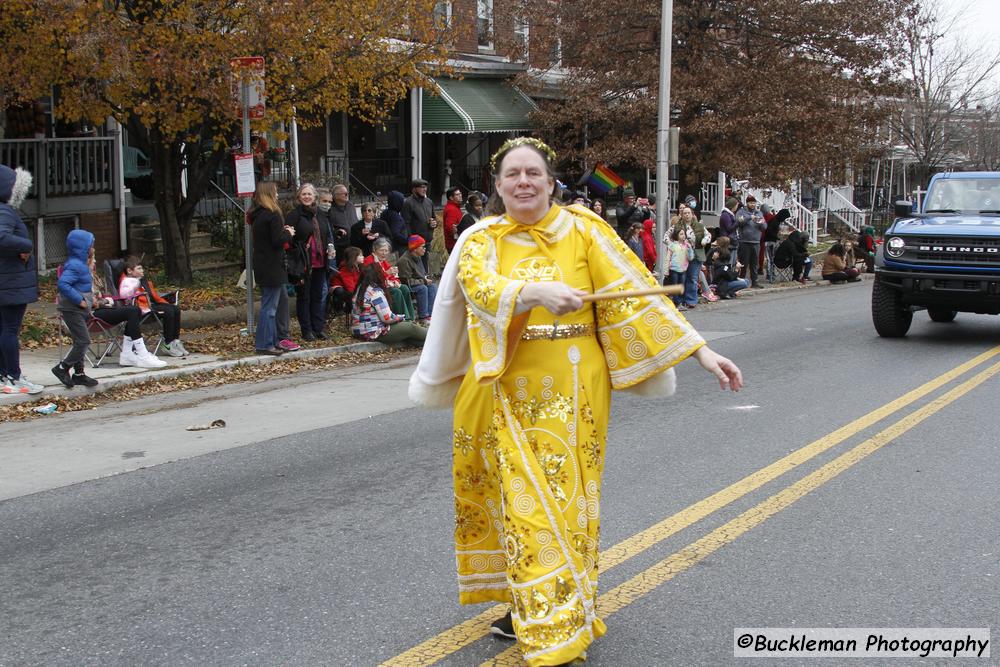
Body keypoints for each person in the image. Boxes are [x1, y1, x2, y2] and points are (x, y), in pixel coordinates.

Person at [407, 137, 742, 667]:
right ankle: (536, 607)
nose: (523, 182)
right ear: (497, 186)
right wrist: (535, 294)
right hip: (500, 391)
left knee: (566, 503)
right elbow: (480, 288)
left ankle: (554, 617)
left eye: (532, 173)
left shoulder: (586, 231)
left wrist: (702, 352)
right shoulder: (479, 240)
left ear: (550, 181)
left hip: (572, 387)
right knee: (519, 501)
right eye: (512, 174)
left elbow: (638, 295)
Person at [0, 164, 44, 394]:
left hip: (7, 281)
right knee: (9, 330)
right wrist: (26, 245)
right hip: (11, 282)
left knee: (3, 329)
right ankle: (14, 377)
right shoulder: (5, 211)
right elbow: (2, 237)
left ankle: (4, 376)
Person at [250, 181, 294, 355]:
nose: (277, 194)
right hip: (273, 266)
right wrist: (288, 233)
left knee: (268, 306)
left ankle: (270, 341)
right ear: (269, 194)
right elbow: (277, 240)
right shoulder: (273, 214)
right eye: (275, 192)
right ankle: (265, 343)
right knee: (270, 308)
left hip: (262, 264)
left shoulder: (258, 215)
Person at [286, 183, 333, 341]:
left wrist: (329, 247)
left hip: (320, 261)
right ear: (299, 197)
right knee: (304, 296)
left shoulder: (320, 214)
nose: (307, 197)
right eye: (303, 194)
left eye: (309, 194)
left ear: (315, 197)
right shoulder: (294, 215)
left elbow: (326, 234)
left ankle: (318, 328)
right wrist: (299, 245)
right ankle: (306, 330)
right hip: (304, 262)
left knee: (318, 295)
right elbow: (287, 239)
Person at [117, 257, 187, 357]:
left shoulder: (143, 281)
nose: (142, 271)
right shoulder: (126, 282)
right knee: (168, 312)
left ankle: (174, 341)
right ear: (129, 270)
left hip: (151, 305)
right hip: (141, 309)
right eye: (139, 268)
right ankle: (167, 344)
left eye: (142, 268)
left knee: (175, 309)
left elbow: (154, 296)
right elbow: (126, 295)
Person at [351, 263, 426, 345]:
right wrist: (401, 318)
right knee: (410, 327)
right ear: (378, 275)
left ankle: (429, 344)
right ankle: (433, 336)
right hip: (374, 332)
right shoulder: (375, 293)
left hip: (358, 331)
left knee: (407, 336)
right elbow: (387, 318)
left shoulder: (359, 289)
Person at [367, 238, 415, 321]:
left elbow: (392, 276)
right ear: (374, 250)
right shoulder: (369, 260)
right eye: (382, 250)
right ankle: (404, 318)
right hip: (375, 289)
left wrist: (396, 281)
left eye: (386, 251)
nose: (384, 253)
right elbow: (372, 279)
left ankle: (411, 318)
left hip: (386, 285)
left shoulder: (383, 261)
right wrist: (387, 273)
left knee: (404, 288)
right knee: (396, 291)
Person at [674, 203, 711, 308]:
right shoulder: (677, 226)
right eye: (684, 213)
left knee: (692, 277)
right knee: (682, 278)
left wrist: (704, 241)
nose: (686, 215)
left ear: (692, 214)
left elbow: (708, 235)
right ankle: (681, 300)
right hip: (682, 255)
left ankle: (691, 301)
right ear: (681, 214)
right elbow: (671, 238)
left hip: (697, 254)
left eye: (688, 213)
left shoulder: (700, 225)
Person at [396, 235, 437, 324]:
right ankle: (423, 316)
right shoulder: (404, 261)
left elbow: (421, 274)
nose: (424, 249)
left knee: (432, 286)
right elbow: (406, 281)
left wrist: (426, 279)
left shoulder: (418, 257)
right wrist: (424, 281)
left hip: (418, 283)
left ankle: (430, 314)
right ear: (415, 249)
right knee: (423, 288)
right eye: (422, 247)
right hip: (408, 287)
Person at [403, 178, 436, 269]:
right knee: (417, 268)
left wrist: (434, 223)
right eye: (421, 187)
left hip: (427, 241)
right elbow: (406, 224)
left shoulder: (429, 202)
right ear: (414, 189)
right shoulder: (408, 203)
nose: (424, 189)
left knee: (426, 267)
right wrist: (412, 240)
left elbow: (434, 218)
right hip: (416, 243)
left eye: (425, 187)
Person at [736, 195, 765, 287]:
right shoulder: (741, 212)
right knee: (744, 262)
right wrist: (750, 218)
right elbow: (739, 222)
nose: (752, 205)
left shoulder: (759, 213)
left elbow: (764, 227)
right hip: (744, 241)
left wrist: (761, 223)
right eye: (750, 203)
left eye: (754, 203)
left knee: (754, 263)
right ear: (747, 203)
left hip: (756, 241)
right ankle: (741, 281)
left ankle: (755, 282)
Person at [328, 245, 362, 320]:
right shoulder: (346, 268)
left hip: (349, 287)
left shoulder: (358, 266)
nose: (363, 257)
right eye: (360, 255)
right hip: (340, 286)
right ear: (354, 257)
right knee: (347, 294)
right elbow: (349, 285)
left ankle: (351, 310)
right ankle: (341, 309)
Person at [665, 225, 694, 309]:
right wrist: (666, 270)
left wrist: (690, 249)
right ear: (676, 235)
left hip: (683, 269)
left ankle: (680, 303)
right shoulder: (672, 245)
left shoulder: (686, 246)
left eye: (684, 234)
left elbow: (691, 258)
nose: (683, 236)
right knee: (675, 286)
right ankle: (676, 303)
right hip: (674, 269)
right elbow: (668, 258)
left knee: (681, 286)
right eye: (681, 234)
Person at [326, 184, 356, 258]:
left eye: (348, 193)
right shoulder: (329, 209)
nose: (347, 195)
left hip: (355, 244)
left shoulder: (350, 205)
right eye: (345, 194)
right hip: (340, 247)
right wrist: (337, 232)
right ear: (336, 196)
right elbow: (327, 228)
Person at [763, 208, 790, 282]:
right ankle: (769, 274)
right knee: (770, 259)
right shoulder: (774, 221)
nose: (784, 220)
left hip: (773, 241)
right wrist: (777, 237)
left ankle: (772, 273)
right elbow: (768, 231)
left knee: (772, 258)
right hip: (769, 241)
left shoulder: (777, 221)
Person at [380, 191, 409, 256]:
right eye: (402, 201)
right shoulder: (396, 218)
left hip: (386, 246)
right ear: (397, 202)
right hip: (398, 249)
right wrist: (408, 241)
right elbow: (395, 233)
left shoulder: (385, 213)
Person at [442, 186, 464, 253]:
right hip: (455, 245)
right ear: (451, 198)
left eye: (460, 193)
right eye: (457, 194)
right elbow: (450, 228)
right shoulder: (452, 209)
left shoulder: (455, 207)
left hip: (455, 244)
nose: (460, 195)